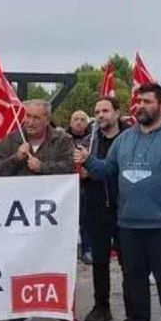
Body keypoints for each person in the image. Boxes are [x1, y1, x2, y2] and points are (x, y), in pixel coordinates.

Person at [76, 83, 161, 321]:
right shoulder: (126, 138)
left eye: (147, 101)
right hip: (128, 221)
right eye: (138, 101)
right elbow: (108, 169)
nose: (141, 105)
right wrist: (88, 160)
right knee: (133, 275)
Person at [0, 99, 76, 321]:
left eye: (35, 117)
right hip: (18, 214)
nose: (29, 121)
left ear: (47, 119)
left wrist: (44, 168)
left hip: (53, 214)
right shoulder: (12, 140)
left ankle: (61, 307)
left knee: (56, 258)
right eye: (27, 116)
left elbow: (70, 168)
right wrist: (16, 158)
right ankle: (22, 307)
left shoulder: (63, 140)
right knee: (22, 258)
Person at [78, 98, 127, 321]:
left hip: (125, 209)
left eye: (105, 110)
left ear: (117, 113)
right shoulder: (89, 142)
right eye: (97, 111)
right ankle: (101, 306)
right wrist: (81, 172)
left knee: (129, 261)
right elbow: (76, 167)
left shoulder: (131, 139)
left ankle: (134, 307)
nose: (100, 115)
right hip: (96, 208)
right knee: (99, 261)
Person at [68, 110, 93, 265]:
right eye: (75, 119)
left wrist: (89, 170)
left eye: (82, 119)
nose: (79, 122)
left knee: (86, 219)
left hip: (87, 184)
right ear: (70, 122)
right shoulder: (62, 138)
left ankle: (87, 249)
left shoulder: (94, 138)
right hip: (68, 184)